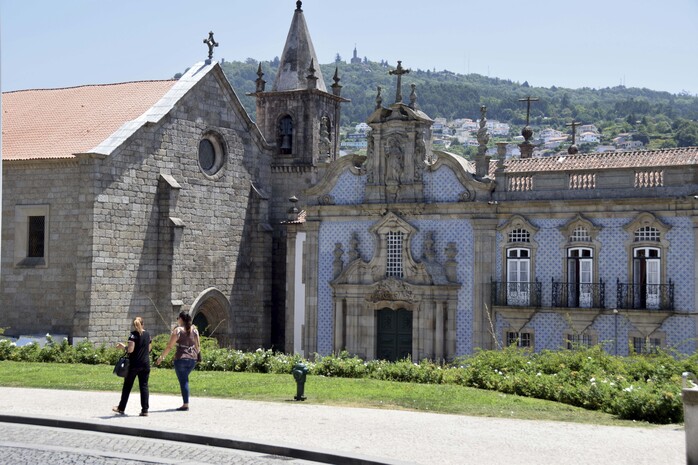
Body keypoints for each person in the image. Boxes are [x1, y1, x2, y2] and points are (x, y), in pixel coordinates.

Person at [156, 312, 200, 411]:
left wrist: (161, 357)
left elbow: (169, 346)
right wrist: (198, 356)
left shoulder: (178, 331)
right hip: (192, 359)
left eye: (177, 318)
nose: (177, 320)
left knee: (183, 381)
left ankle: (185, 404)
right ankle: (186, 402)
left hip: (181, 359)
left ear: (181, 319)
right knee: (185, 379)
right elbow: (198, 346)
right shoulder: (195, 330)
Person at [112, 316, 152, 416]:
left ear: (134, 325)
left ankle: (121, 408)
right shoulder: (147, 335)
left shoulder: (133, 335)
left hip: (134, 364)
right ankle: (145, 410)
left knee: (127, 386)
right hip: (145, 364)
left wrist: (123, 346)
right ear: (143, 324)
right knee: (144, 386)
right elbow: (149, 349)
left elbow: (130, 350)